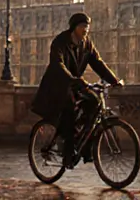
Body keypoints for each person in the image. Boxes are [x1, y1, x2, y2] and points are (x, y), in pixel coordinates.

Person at [30, 12, 123, 166]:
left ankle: (85, 145)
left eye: (87, 27)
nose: (86, 30)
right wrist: (73, 79)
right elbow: (57, 65)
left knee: (94, 101)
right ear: (74, 28)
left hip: (75, 84)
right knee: (69, 112)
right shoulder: (60, 42)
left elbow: (98, 63)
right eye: (82, 27)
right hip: (57, 85)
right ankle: (67, 154)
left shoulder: (87, 44)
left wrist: (114, 80)